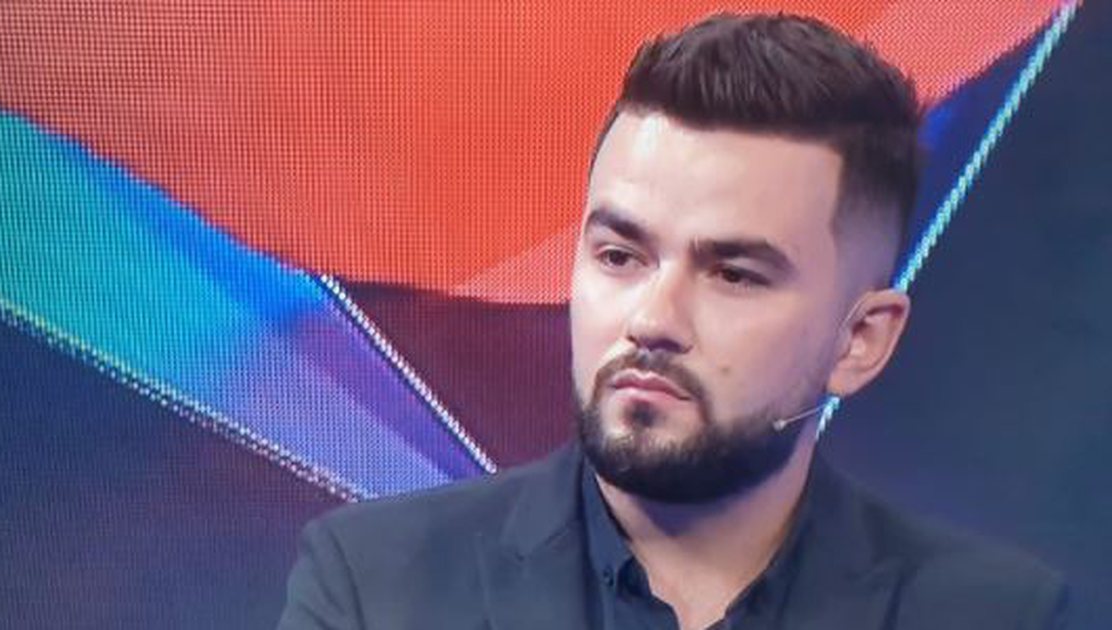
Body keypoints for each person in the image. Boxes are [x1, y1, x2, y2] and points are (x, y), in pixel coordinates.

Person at [278, 13, 1066, 630]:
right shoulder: (374, 586)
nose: (652, 319)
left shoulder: (997, 616)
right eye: (620, 256)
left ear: (860, 340)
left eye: (733, 274)